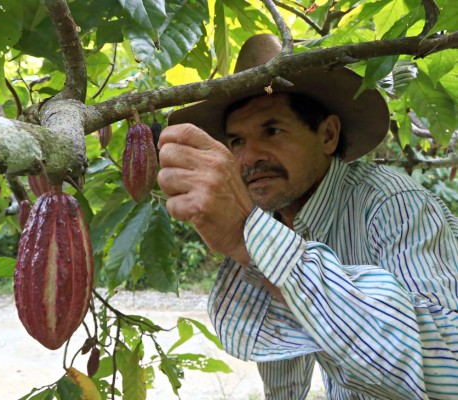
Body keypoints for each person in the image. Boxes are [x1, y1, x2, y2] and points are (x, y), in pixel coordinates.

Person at [156, 34, 458, 399]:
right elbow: (286, 354)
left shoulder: (392, 204)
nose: (249, 158)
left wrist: (245, 236)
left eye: (272, 130)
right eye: (236, 141)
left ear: (328, 135)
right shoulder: (275, 219)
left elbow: (445, 369)